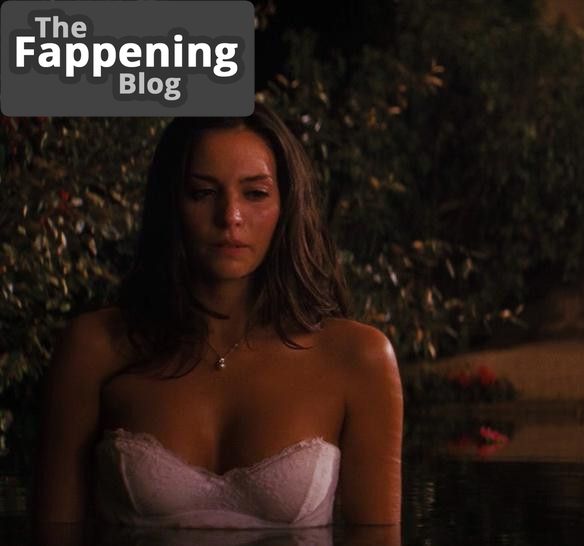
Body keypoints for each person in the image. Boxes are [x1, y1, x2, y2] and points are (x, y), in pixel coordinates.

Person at [33, 104, 403, 537]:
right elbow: (51, 534)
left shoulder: (359, 358)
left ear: (286, 205)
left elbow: (378, 538)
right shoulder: (95, 348)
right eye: (203, 193)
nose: (230, 217)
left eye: (255, 193)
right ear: (171, 204)